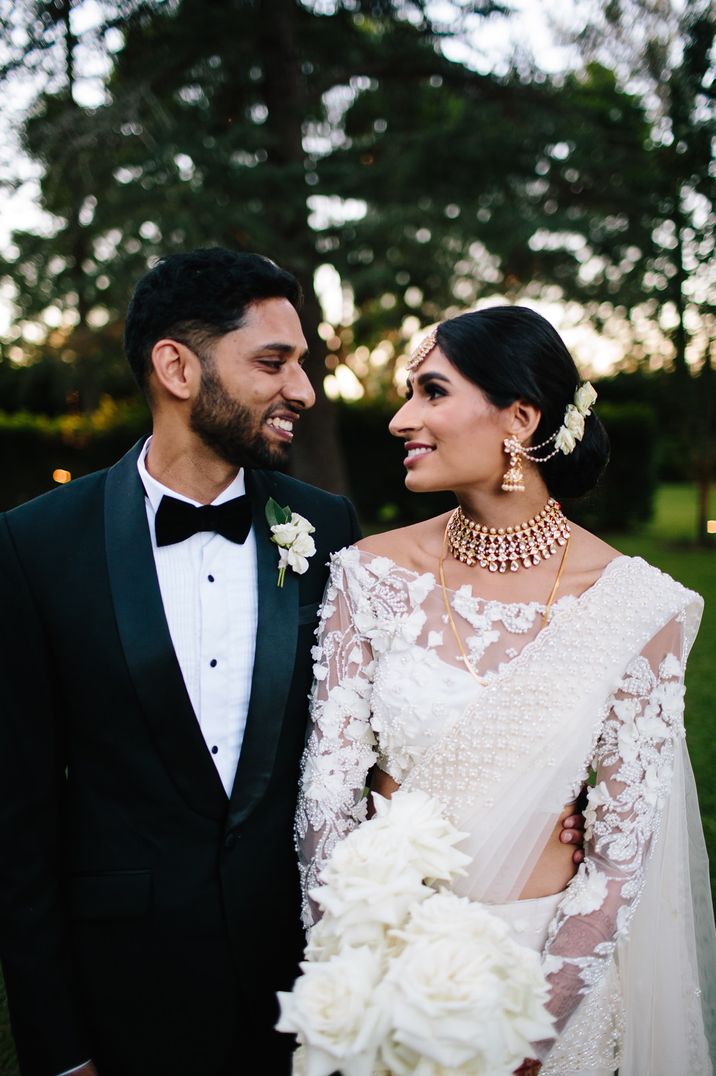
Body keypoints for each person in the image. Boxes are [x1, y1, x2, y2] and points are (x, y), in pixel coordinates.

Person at [296, 306, 716, 1075]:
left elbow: (621, 860)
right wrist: (352, 965)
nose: (400, 420)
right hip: (378, 960)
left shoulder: (633, 608)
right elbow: (326, 801)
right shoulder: (369, 575)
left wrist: (525, 1033)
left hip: (546, 977)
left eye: (431, 392)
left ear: (519, 417)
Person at [0, 248, 364, 1076]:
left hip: (305, 995)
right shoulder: (35, 546)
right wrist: (59, 1049)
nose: (302, 390)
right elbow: (17, 821)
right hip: (128, 996)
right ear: (176, 366)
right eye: (274, 362)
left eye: (302, 364)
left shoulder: (327, 525)